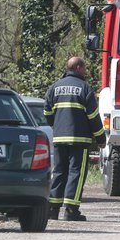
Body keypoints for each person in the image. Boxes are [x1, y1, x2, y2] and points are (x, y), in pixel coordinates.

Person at [44, 57, 105, 221]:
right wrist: (100, 137)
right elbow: (93, 116)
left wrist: (57, 126)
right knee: (75, 173)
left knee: (59, 172)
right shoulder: (84, 88)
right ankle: (71, 211)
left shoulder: (54, 87)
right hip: (79, 139)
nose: (85, 71)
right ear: (78, 67)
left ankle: (52, 209)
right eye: (84, 67)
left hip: (59, 138)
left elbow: (47, 114)